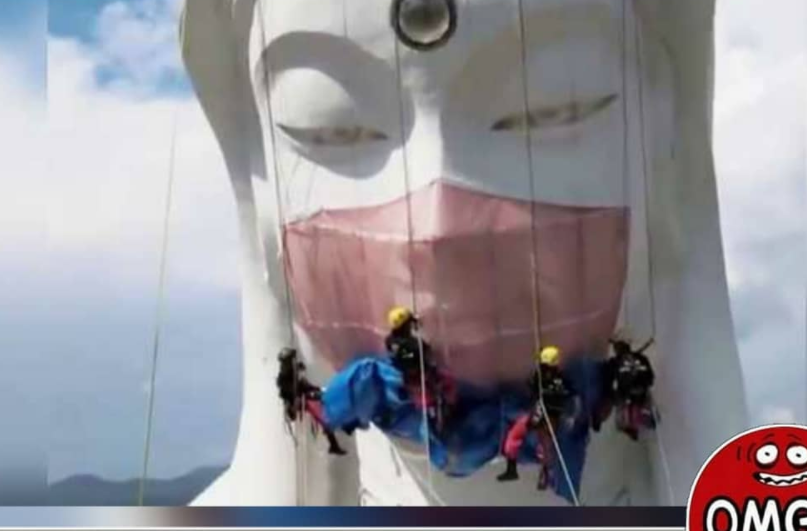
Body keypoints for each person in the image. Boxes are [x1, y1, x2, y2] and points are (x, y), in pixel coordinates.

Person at [497, 346, 581, 490]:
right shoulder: (560, 379)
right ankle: (535, 470)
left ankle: (532, 470)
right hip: (552, 414)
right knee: (542, 443)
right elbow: (571, 395)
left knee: (522, 438)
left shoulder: (542, 377)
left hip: (541, 414)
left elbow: (533, 389)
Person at [384, 306, 452, 427]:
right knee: (446, 383)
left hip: (405, 376)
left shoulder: (389, 340)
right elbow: (427, 352)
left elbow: (403, 354)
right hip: (421, 376)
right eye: (409, 323)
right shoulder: (415, 344)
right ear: (405, 326)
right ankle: (443, 414)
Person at [276, 347, 347, 455]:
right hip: (300, 400)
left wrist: (300, 370)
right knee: (323, 415)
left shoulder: (292, 370)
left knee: (323, 398)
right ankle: (334, 444)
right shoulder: (283, 379)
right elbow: (291, 392)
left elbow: (302, 384)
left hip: (304, 395)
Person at [606, 332, 657, 441]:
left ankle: (630, 426)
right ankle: (648, 416)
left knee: (619, 421)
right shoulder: (642, 358)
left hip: (626, 394)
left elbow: (608, 381)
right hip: (642, 391)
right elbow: (651, 378)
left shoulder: (614, 362)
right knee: (645, 395)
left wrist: (612, 396)